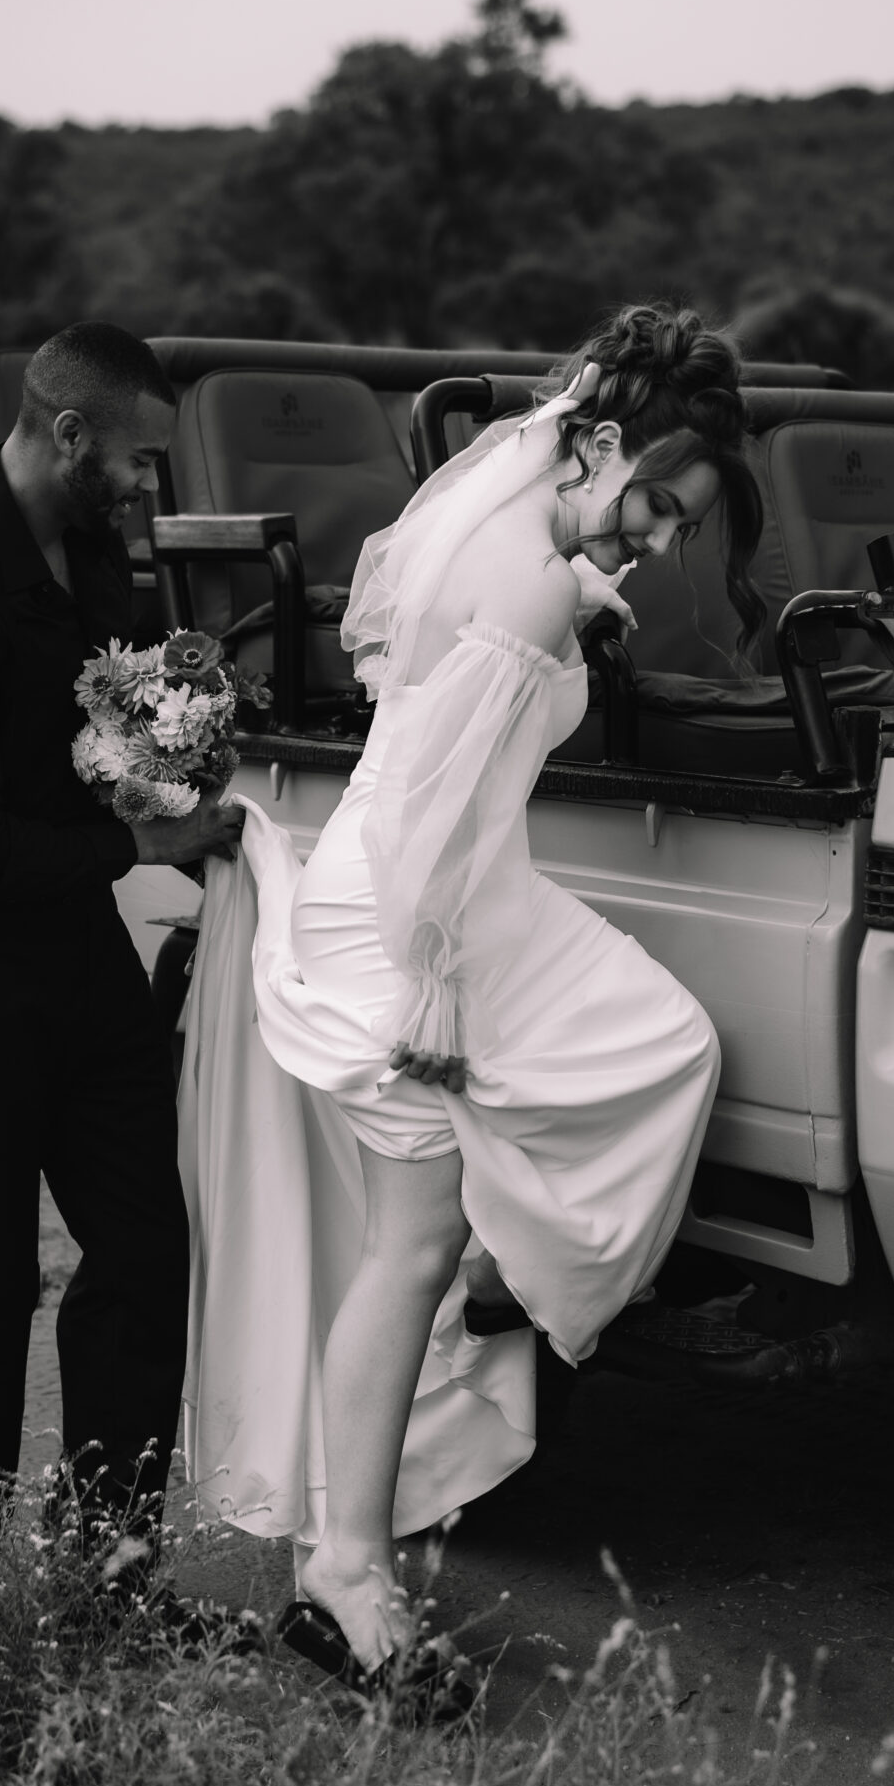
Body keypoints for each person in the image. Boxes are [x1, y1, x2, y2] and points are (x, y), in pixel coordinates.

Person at [179, 304, 764, 1690]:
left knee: (659, 1040)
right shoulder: (523, 586)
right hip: (413, 915)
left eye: (681, 527)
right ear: (600, 444)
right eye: (659, 507)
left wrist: (573, 602)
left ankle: (506, 1272)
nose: (663, 542)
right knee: (408, 1246)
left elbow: (398, 663)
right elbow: (441, 803)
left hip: (430, 881)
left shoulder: (496, 527)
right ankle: (344, 1567)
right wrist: (436, 991)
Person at [0, 320, 242, 1586]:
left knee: (142, 1244)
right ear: (68, 433)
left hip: (72, 954)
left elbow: (100, 737)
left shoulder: (95, 554)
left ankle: (107, 1565)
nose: (144, 487)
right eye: (134, 460)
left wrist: (180, 752)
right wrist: (143, 848)